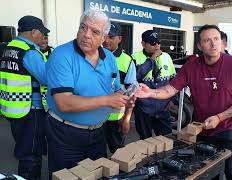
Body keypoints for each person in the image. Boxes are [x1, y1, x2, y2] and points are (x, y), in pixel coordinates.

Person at [135, 24, 232, 180]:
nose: (213, 44)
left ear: (222, 42)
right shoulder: (190, 68)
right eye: (207, 40)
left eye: (216, 39)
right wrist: (150, 92)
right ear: (199, 45)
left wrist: (219, 118)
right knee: (208, 172)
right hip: (202, 129)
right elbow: (170, 89)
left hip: (229, 127)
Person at [45, 9, 133, 178]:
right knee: (66, 176)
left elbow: (115, 88)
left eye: (95, 32)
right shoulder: (61, 56)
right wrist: (107, 100)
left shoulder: (109, 58)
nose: (86, 35)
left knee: (96, 175)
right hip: (65, 133)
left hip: (99, 133)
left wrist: (125, 96)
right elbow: (64, 102)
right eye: (83, 27)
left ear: (104, 37)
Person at [0, 16, 49, 179]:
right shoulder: (29, 51)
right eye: (42, 33)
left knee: (24, 148)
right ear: (34, 31)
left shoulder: (9, 47)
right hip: (31, 110)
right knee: (31, 154)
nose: (43, 37)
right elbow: (46, 77)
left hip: (14, 108)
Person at [131, 30, 176, 139]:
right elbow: (137, 75)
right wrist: (152, 59)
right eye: (152, 43)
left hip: (163, 108)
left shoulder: (166, 57)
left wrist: (172, 99)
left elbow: (174, 80)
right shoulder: (134, 57)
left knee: (167, 139)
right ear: (143, 44)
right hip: (143, 109)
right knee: (145, 140)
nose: (157, 46)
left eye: (158, 43)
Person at [102, 22, 137, 153]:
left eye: (111, 37)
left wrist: (127, 119)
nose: (106, 40)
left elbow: (131, 93)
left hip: (115, 119)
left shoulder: (127, 61)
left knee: (118, 156)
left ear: (120, 39)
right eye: (104, 36)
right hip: (94, 117)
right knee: (95, 159)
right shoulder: (93, 56)